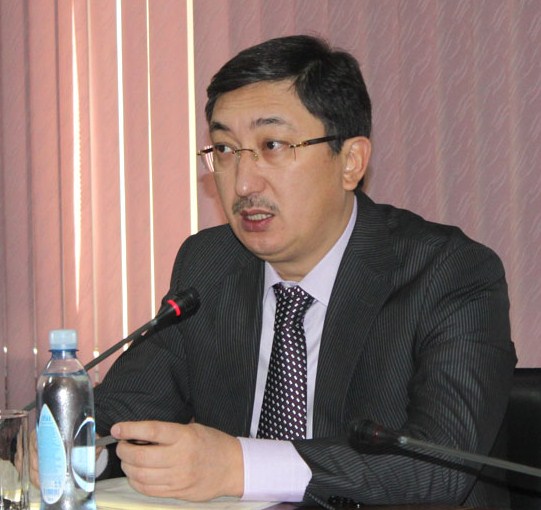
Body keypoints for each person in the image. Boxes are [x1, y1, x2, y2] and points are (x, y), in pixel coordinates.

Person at [89, 35, 517, 506]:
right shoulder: (209, 264)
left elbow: (441, 465)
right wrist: (76, 451)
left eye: (272, 145)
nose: (243, 183)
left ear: (350, 162)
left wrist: (238, 465)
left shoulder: (447, 272)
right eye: (225, 149)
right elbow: (122, 419)